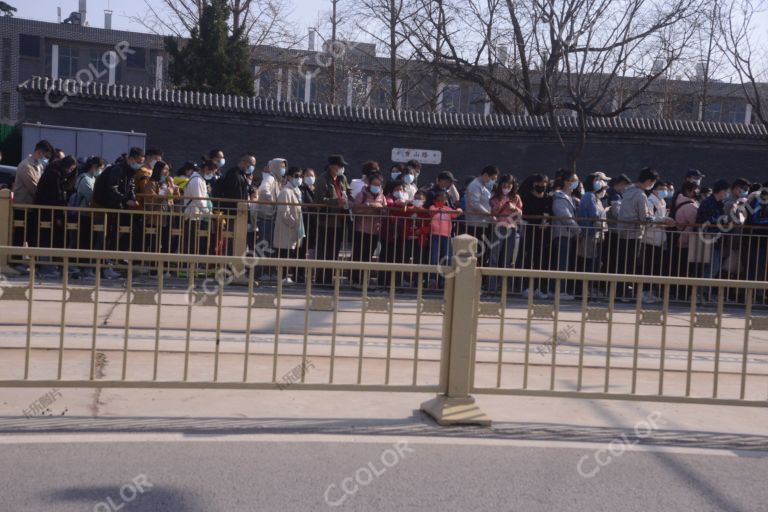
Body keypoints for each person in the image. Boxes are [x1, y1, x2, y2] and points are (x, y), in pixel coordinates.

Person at [616, 167, 660, 299]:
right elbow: (645, 218)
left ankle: (620, 291)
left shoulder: (628, 191)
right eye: (652, 183)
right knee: (632, 263)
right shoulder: (640, 195)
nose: (652, 186)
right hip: (634, 233)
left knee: (623, 263)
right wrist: (662, 219)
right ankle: (627, 292)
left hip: (623, 231)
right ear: (648, 181)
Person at [313, 155, 352, 285]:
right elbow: (318, 200)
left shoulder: (343, 179)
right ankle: (320, 279)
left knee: (334, 252)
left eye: (342, 166)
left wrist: (349, 200)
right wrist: (336, 202)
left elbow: (348, 192)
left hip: (340, 221)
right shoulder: (322, 180)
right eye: (339, 166)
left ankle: (329, 279)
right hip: (326, 221)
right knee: (324, 251)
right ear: (331, 166)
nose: (341, 168)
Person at [639, 181, 675, 303]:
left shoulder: (662, 202)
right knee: (647, 267)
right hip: (649, 239)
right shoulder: (650, 201)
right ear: (653, 189)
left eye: (665, 188)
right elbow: (649, 220)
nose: (664, 190)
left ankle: (650, 292)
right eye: (660, 188)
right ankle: (644, 293)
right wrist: (664, 220)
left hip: (659, 240)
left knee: (655, 268)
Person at [696, 179, 730, 301]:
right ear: (721, 191)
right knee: (712, 267)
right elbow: (705, 220)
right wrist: (721, 220)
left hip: (716, 239)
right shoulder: (708, 203)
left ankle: (705, 293)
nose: (727, 194)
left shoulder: (719, 203)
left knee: (713, 267)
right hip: (707, 239)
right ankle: (702, 293)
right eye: (726, 191)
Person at [518, 174, 551, 299]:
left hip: (544, 234)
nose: (542, 187)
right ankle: (526, 287)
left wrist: (547, 222)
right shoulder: (527, 198)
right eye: (539, 184)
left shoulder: (548, 198)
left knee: (541, 261)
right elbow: (525, 215)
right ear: (534, 184)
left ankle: (540, 288)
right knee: (529, 260)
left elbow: (550, 214)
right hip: (531, 233)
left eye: (544, 184)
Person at [351, 172, 386, 288]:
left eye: (379, 185)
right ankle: (356, 280)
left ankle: (365, 279)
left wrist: (379, 208)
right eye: (374, 184)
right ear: (369, 184)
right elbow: (355, 209)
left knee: (368, 255)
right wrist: (368, 207)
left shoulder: (382, 196)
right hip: (361, 229)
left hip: (375, 230)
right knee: (358, 255)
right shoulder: (362, 195)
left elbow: (385, 210)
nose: (376, 187)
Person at [488, 174, 522, 292]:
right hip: (499, 228)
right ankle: (491, 286)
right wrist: (499, 206)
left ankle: (505, 287)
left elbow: (520, 213)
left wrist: (514, 208)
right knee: (494, 257)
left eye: (509, 185)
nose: (506, 187)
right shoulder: (495, 197)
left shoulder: (516, 198)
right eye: (504, 185)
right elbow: (492, 211)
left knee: (508, 259)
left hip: (511, 228)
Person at [254, 158, 287, 279]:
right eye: (281, 166)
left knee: (270, 246)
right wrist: (273, 202)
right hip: (265, 217)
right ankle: (261, 272)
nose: (283, 169)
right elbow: (263, 191)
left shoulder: (278, 181)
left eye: (284, 167)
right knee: (265, 245)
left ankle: (269, 271)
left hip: (271, 217)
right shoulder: (270, 178)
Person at [576, 173, 608, 296]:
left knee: (593, 262)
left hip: (595, 233)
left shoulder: (595, 196)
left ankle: (588, 289)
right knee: (587, 261)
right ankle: (583, 289)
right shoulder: (589, 196)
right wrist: (605, 211)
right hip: (589, 233)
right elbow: (595, 214)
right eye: (598, 180)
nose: (601, 183)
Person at [550, 172, 580, 300]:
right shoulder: (559, 197)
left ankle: (560, 289)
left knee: (566, 263)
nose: (576, 183)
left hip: (569, 234)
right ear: (566, 182)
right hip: (562, 234)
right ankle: (559, 290)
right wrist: (578, 230)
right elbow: (564, 216)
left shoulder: (571, 197)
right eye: (573, 180)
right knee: (561, 263)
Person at [273, 167, 305, 285]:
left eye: (301, 176)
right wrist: (294, 223)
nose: (299, 179)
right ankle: (282, 277)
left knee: (289, 253)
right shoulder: (286, 191)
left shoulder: (296, 191)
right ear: (289, 177)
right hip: (286, 228)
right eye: (296, 176)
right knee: (284, 253)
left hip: (291, 229)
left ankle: (285, 277)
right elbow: (284, 212)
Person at [464, 166, 500, 261]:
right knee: (476, 252)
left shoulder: (483, 186)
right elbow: (474, 204)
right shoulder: (475, 185)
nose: (493, 181)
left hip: (483, 223)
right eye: (492, 179)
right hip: (475, 224)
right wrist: (488, 213)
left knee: (482, 252)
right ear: (485, 175)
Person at [673, 182, 701, 299]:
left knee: (680, 268)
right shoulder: (690, 206)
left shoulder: (679, 202)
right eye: (695, 190)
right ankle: (684, 293)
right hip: (687, 240)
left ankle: (679, 292)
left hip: (682, 239)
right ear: (689, 191)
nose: (697, 192)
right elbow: (696, 220)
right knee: (686, 269)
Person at [428, 191, 462, 288]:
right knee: (434, 257)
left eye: (443, 200)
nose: (441, 201)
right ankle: (432, 279)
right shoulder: (432, 207)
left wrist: (459, 209)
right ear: (435, 200)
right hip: (435, 235)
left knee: (447, 257)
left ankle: (444, 280)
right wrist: (439, 209)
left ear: (446, 201)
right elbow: (431, 212)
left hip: (446, 235)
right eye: (439, 200)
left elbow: (456, 214)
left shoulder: (448, 209)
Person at [379, 180, 410, 287]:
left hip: (402, 234)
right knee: (387, 258)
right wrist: (399, 203)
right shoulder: (389, 198)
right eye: (397, 189)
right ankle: (383, 283)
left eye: (401, 189)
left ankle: (396, 284)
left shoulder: (406, 199)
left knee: (399, 259)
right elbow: (389, 203)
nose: (399, 191)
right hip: (389, 234)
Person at [296, 167, 317, 283]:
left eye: (312, 175)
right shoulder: (302, 189)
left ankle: (311, 274)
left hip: (314, 224)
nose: (311, 178)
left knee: (313, 249)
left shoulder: (315, 189)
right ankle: (299, 274)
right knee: (302, 250)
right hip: (304, 223)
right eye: (308, 175)